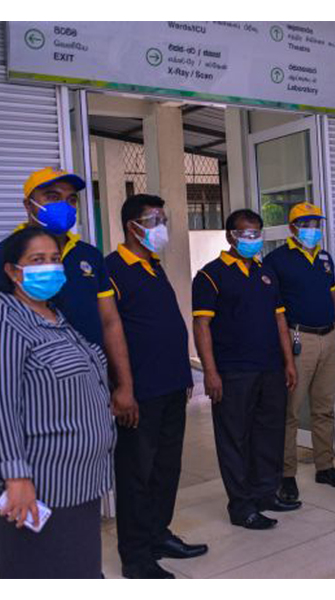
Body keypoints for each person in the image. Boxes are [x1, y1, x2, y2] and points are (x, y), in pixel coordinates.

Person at [0, 228, 117, 578]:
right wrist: (16, 477)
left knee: (76, 570)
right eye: (36, 260)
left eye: (54, 259)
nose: (48, 267)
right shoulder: (1, 324)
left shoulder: (55, 319)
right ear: (12, 272)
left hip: (77, 483)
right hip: (41, 487)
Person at [0, 167, 138, 429]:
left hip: (93, 388)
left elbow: (110, 322)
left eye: (71, 200)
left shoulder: (89, 256)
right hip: (36, 400)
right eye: (52, 196)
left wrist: (125, 385)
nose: (65, 205)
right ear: (29, 205)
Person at [105, 195, 208, 578]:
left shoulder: (153, 265)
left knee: (167, 468)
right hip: (139, 392)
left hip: (170, 385)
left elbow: (164, 326)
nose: (163, 226)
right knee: (136, 474)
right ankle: (135, 557)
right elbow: (109, 332)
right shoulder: (111, 269)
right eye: (155, 219)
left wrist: (184, 375)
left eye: (164, 218)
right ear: (133, 225)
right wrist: (122, 389)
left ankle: (158, 534)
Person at [192, 209, 298, 530]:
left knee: (269, 433)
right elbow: (202, 325)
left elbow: (280, 319)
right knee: (234, 438)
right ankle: (241, 505)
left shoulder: (267, 273)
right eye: (245, 234)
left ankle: (266, 493)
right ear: (230, 236)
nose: (252, 240)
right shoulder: (211, 275)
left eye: (256, 233)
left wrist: (288, 362)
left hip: (270, 368)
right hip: (233, 371)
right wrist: (210, 372)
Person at [262, 203, 335, 502]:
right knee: (290, 411)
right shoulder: (277, 260)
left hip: (329, 338)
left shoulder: (325, 258)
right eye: (306, 224)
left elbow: (334, 298)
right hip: (298, 338)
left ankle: (325, 466)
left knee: (324, 407)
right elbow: (272, 309)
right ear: (292, 228)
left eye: (316, 223)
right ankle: (286, 475)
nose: (312, 229)